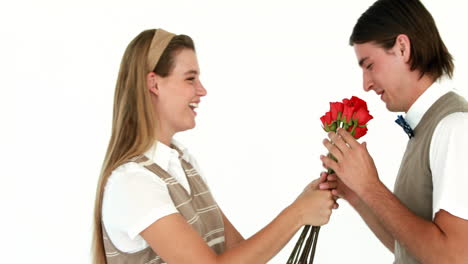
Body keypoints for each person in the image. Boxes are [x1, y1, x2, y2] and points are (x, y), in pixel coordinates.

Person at [91, 28, 336, 264]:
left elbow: (239, 253)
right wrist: (297, 214)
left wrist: (303, 203)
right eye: (190, 79)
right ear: (154, 84)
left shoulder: (183, 163)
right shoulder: (133, 182)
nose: (202, 90)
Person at [318, 0, 468, 263]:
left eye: (369, 65)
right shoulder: (429, 126)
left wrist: (371, 186)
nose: (366, 84)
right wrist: (357, 193)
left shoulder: (454, 126)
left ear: (402, 47)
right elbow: (410, 248)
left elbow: (454, 257)